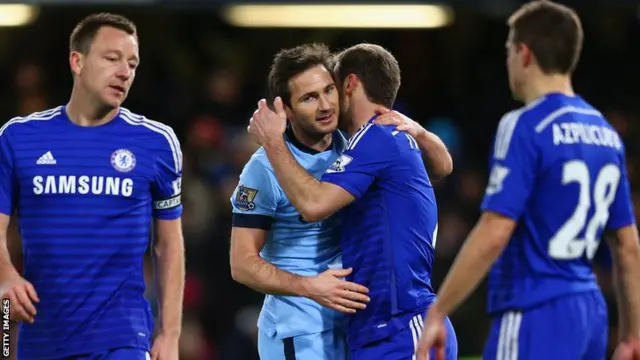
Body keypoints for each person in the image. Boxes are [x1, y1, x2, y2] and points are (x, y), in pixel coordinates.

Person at [416, 2, 640, 360]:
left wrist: (438, 311)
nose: (506, 61)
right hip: (590, 314)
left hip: (534, 308)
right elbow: (627, 246)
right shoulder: (607, 135)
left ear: (523, 53)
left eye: (507, 50)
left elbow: (495, 230)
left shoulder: (525, 125)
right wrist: (631, 335)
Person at [246, 43, 457, 360]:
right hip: (376, 332)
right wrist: (421, 132)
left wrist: (273, 141)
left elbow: (314, 205)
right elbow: (444, 165)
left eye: (331, 89)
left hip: (402, 327)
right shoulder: (386, 138)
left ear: (350, 84)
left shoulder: (376, 138)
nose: (327, 103)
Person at [0, 13, 184, 360]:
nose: (124, 72)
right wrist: (5, 276)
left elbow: (168, 243)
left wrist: (169, 334)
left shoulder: (157, 142)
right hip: (39, 336)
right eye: (112, 58)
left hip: (123, 339)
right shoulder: (17, 138)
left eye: (132, 63)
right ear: (77, 61)